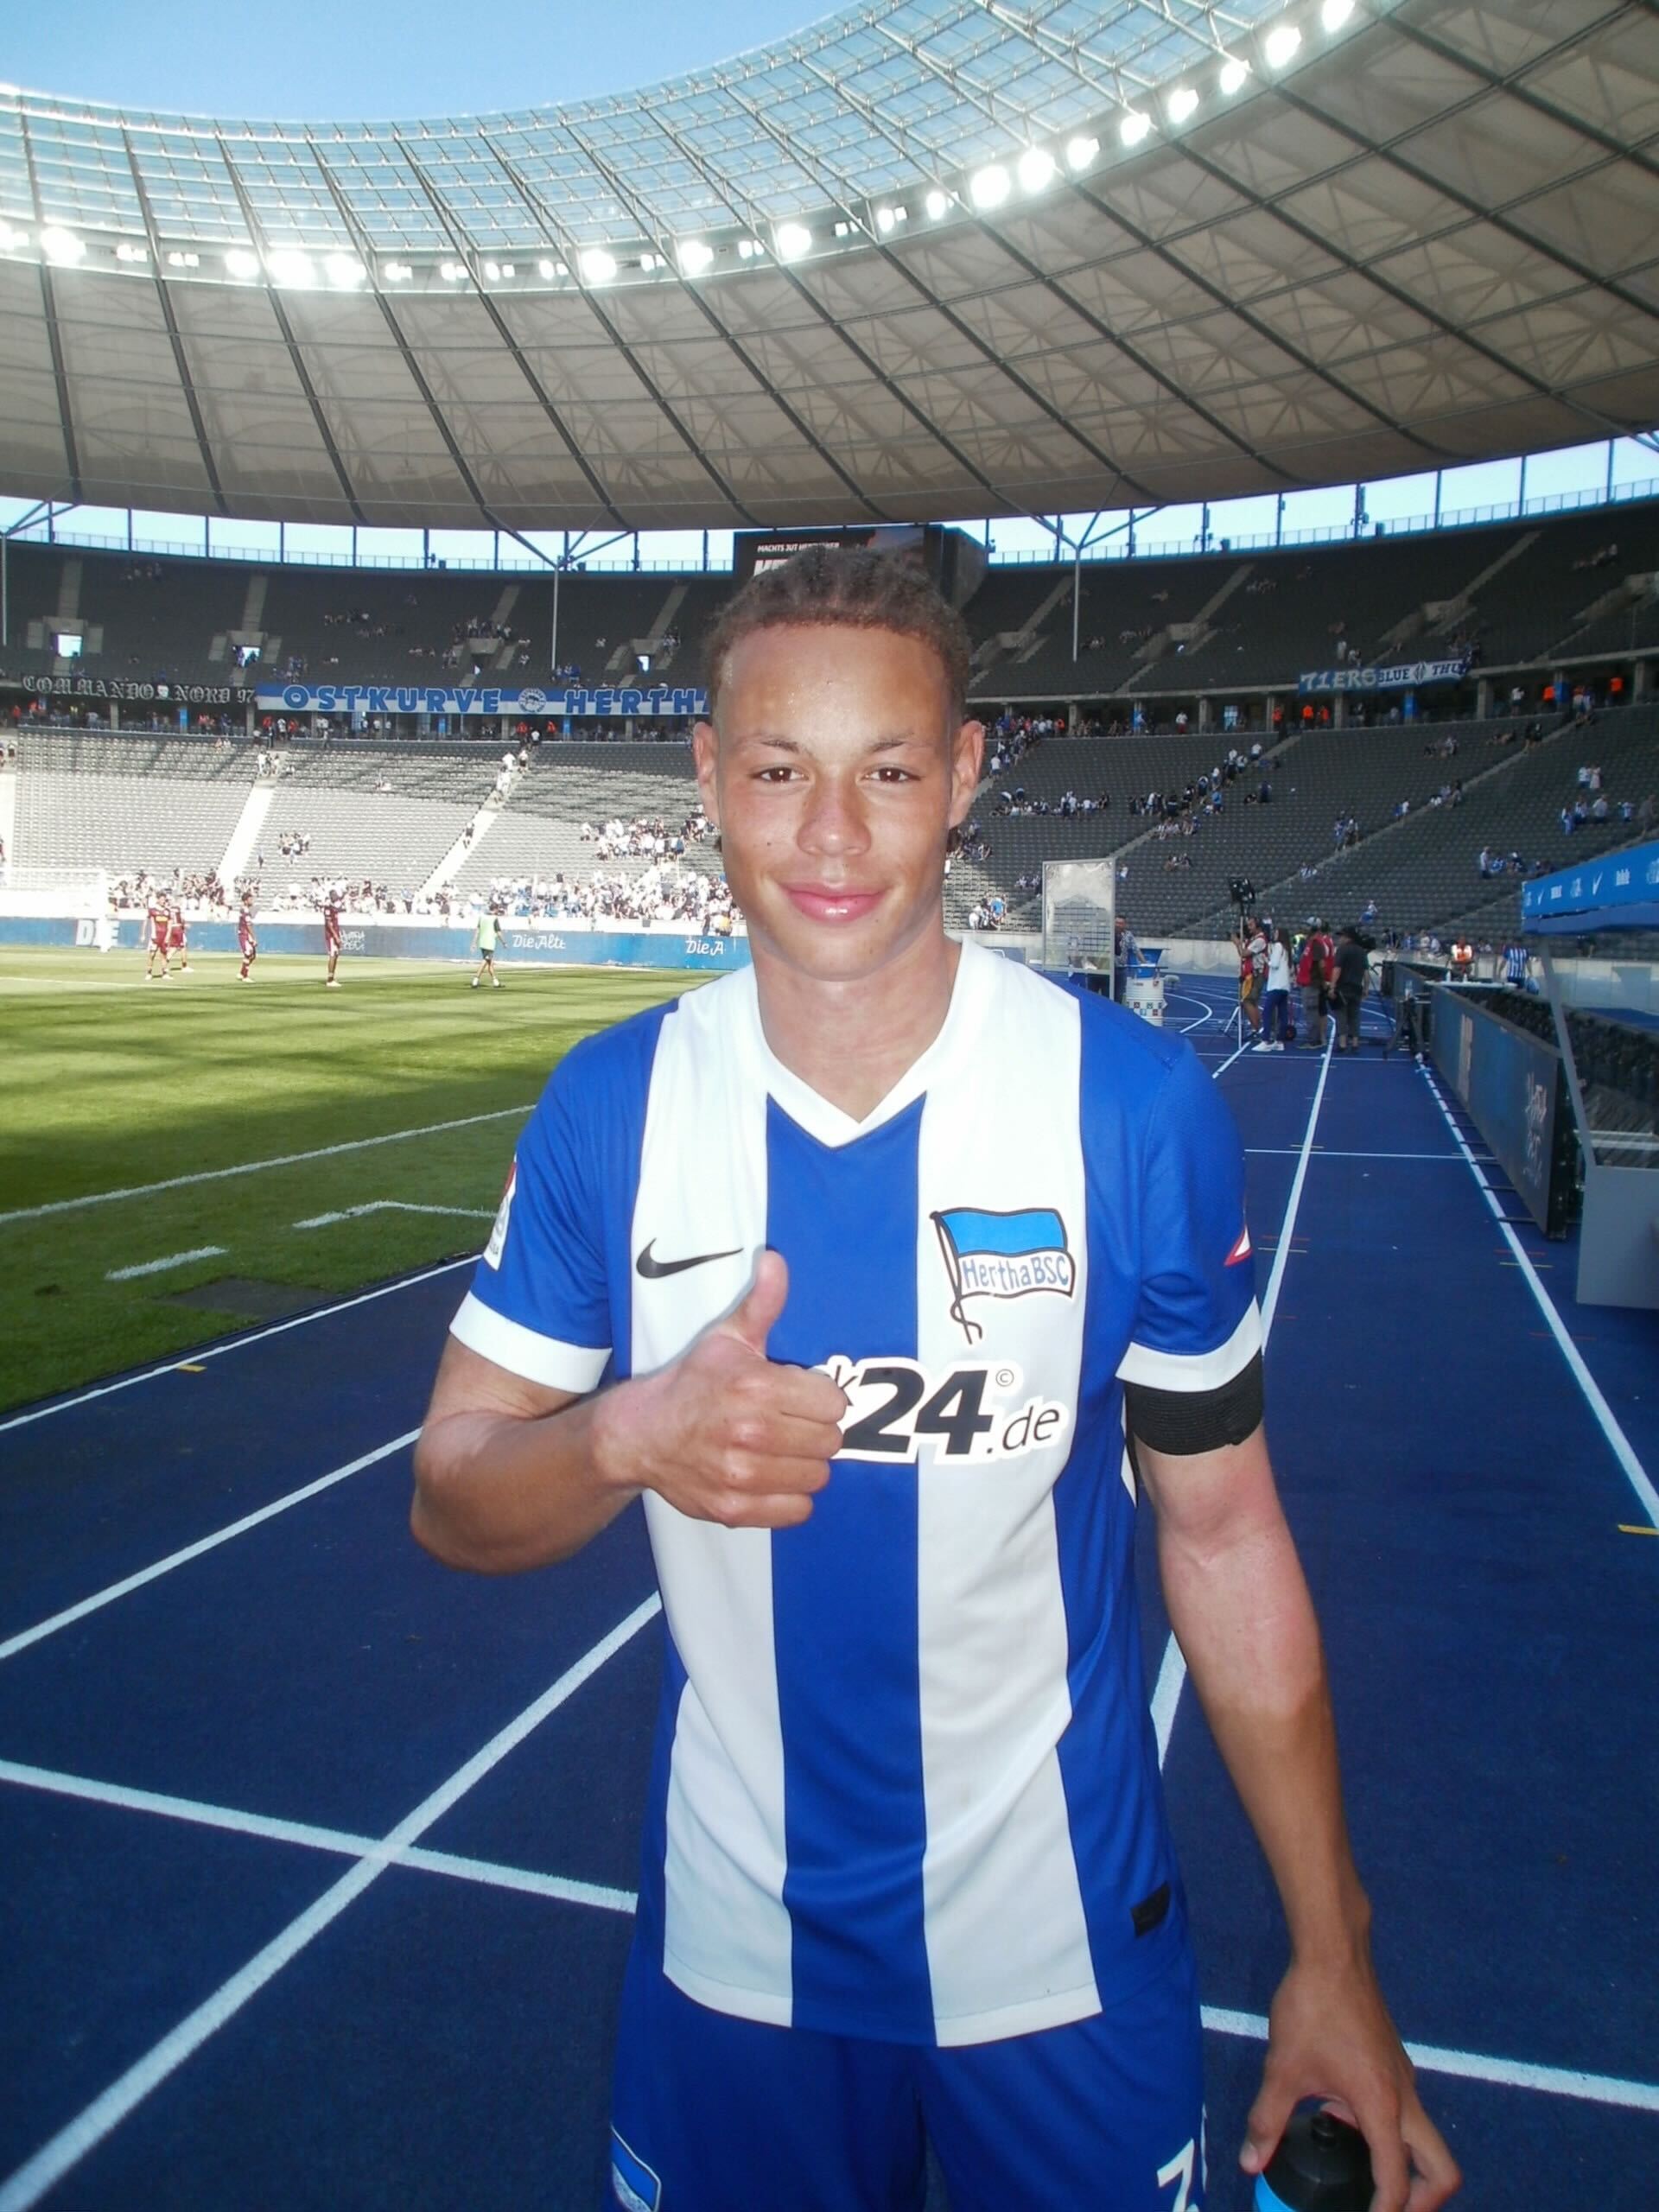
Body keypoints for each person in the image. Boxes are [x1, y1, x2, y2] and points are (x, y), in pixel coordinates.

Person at [410, 550, 1456, 2212]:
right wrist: (622, 1436)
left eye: (888, 771)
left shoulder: (1127, 1107)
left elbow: (1227, 1535)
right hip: (733, 1965)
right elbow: (454, 1491)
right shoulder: (614, 1109)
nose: (832, 836)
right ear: (706, 774)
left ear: (964, 775)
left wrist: (1334, 1950)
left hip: (1064, 1952)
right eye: (777, 772)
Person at [1332, 926, 1370, 1053]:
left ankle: (1342, 1043)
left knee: (1341, 1015)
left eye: (1341, 936)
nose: (1339, 939)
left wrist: (1332, 986)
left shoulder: (1342, 950)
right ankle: (1355, 1043)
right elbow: (1366, 972)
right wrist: (1366, 988)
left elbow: (1337, 969)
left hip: (1343, 987)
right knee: (1355, 1016)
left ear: (1347, 937)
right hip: (1357, 988)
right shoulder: (1361, 951)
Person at [1297, 921, 1332, 1051]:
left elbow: (1321, 965)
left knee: (1311, 1012)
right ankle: (1314, 1038)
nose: (1304, 929)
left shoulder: (1317, 944)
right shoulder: (1311, 943)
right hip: (1308, 982)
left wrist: (1322, 981)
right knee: (1310, 1012)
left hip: (1312, 983)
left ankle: (1314, 1040)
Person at [1257, 926, 1293, 1052]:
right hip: (1285, 986)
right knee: (1283, 1014)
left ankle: (1265, 1040)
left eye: (1277, 932)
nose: (1275, 934)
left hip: (1276, 985)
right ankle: (1280, 1041)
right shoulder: (1288, 949)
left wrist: (1267, 960)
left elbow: (1275, 964)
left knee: (1267, 1012)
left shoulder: (1278, 946)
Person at [472, 906, 503, 989]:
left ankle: (495, 981)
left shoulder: (482, 917)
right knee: (486, 961)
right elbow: (499, 932)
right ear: (495, 909)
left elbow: (477, 931)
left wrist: (474, 943)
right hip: (490, 943)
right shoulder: (494, 918)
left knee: (490, 962)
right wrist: (504, 942)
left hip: (482, 942)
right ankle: (476, 979)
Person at [323, 893, 344, 988]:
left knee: (336, 955)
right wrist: (335, 936)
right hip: (331, 936)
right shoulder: (328, 908)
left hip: (335, 934)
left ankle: (332, 977)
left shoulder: (334, 908)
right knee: (332, 955)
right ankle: (330, 979)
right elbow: (329, 924)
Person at [238, 895, 258, 983]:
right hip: (244, 935)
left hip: (246, 934)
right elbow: (248, 925)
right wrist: (254, 938)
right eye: (250, 899)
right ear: (245, 901)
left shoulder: (246, 910)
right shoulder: (245, 911)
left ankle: (242, 973)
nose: (252, 901)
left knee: (253, 955)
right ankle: (245, 976)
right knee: (248, 954)